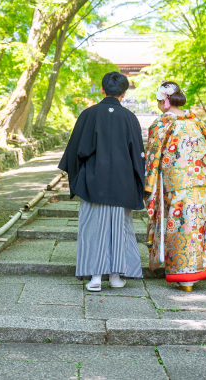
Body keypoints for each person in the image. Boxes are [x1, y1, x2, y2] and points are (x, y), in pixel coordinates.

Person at [144, 81, 206, 291]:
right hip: (201, 184)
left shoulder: (161, 124)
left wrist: (149, 183)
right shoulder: (198, 122)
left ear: (165, 101)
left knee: (178, 228)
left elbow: (152, 158)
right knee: (196, 226)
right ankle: (196, 270)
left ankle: (182, 274)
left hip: (175, 185)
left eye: (159, 101)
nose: (159, 106)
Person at [58, 72, 145, 292]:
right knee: (119, 229)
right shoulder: (130, 118)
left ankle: (95, 277)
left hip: (92, 183)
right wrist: (139, 186)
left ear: (102, 90)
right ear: (124, 94)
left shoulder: (88, 114)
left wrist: (79, 182)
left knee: (92, 229)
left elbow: (75, 153)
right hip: (122, 184)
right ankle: (116, 277)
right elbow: (138, 155)